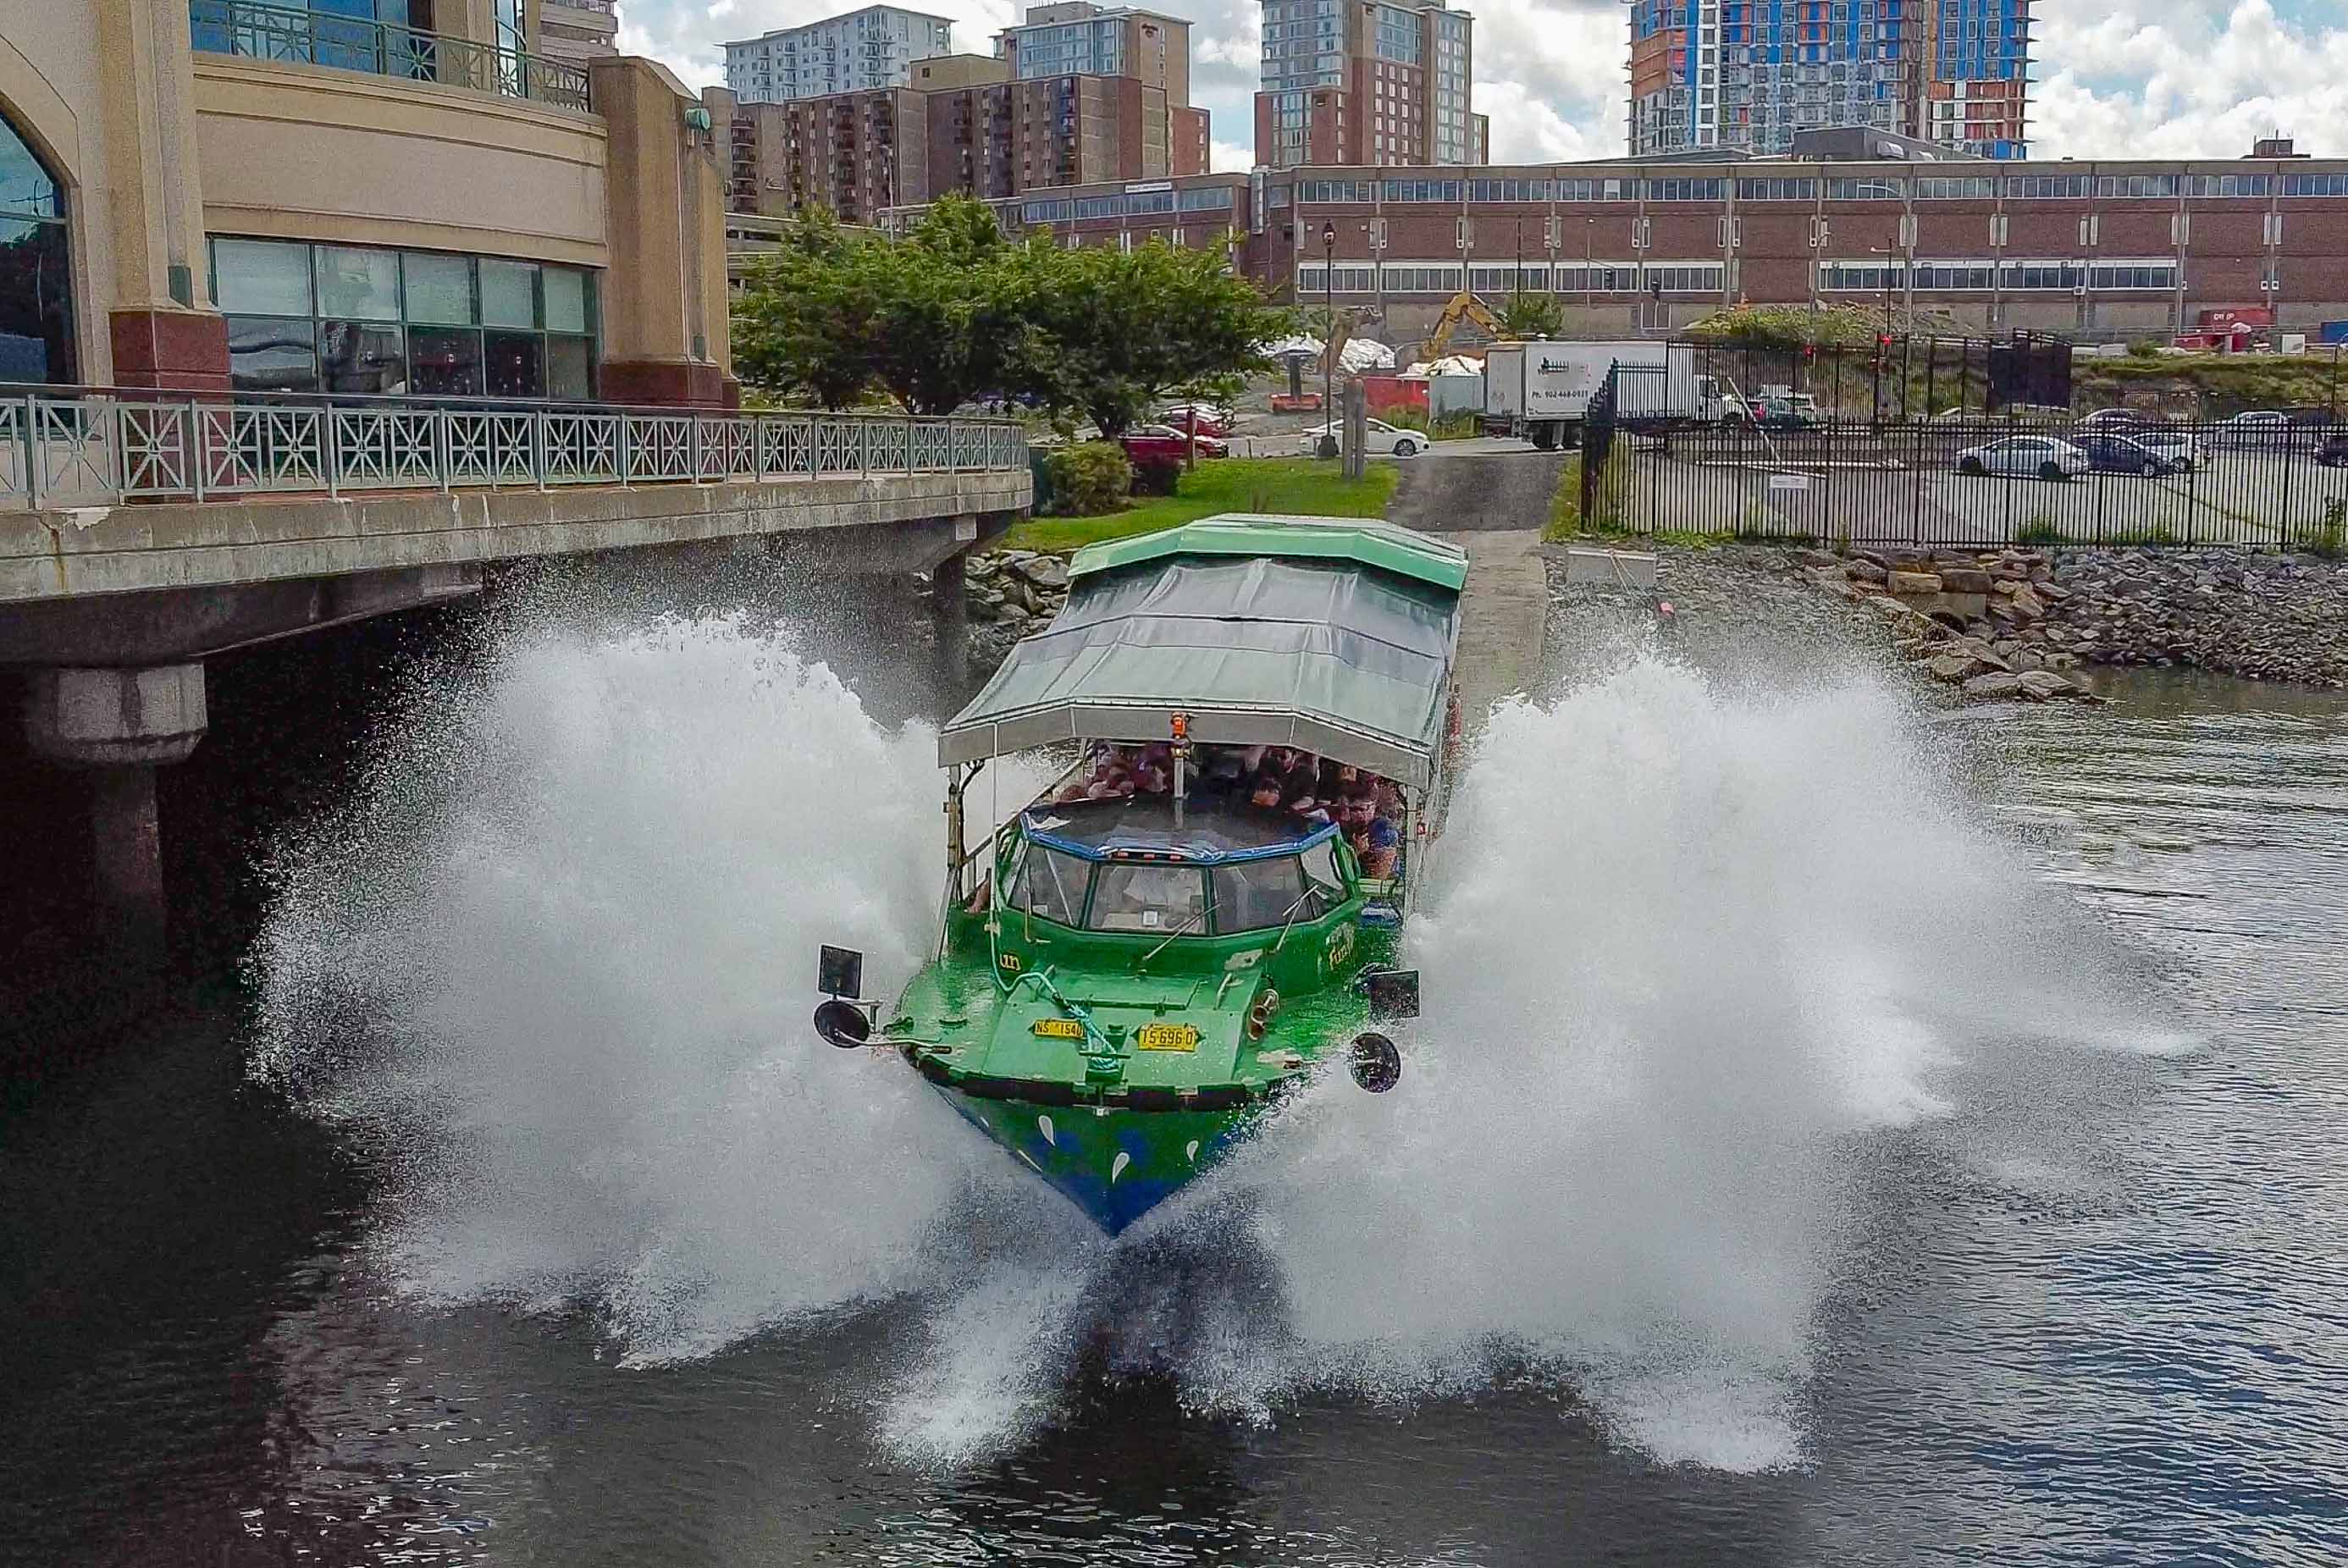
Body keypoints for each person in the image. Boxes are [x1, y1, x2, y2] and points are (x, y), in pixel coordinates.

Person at [1340, 791, 1400, 877]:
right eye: (1354, 810)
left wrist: (1358, 853)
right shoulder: (1347, 828)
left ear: (1373, 807)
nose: (1359, 814)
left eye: (1362, 809)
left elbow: (1379, 875)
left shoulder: (1384, 830)